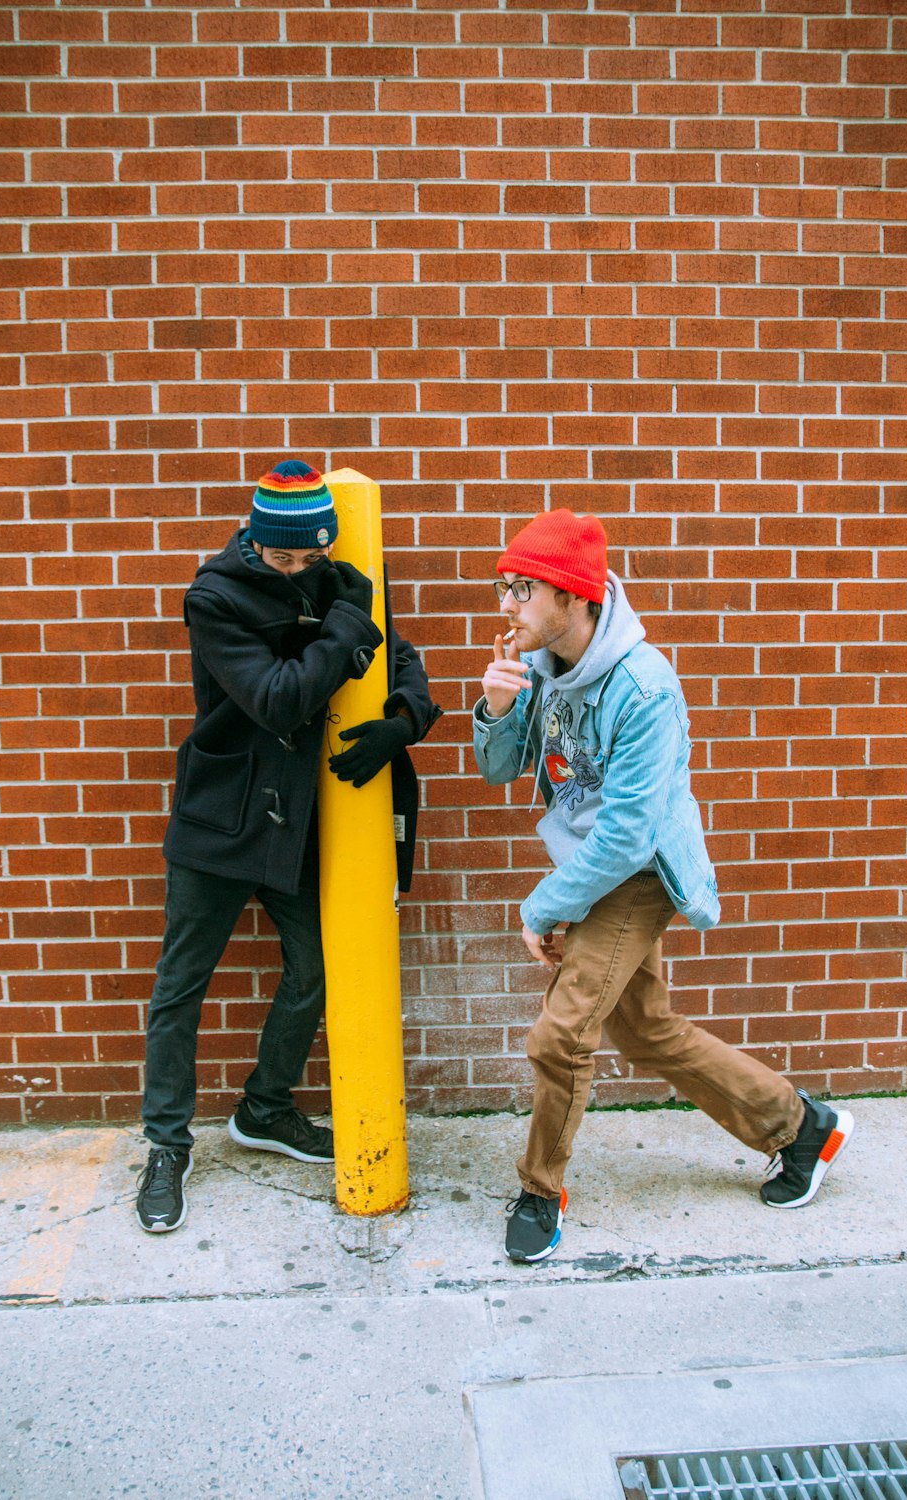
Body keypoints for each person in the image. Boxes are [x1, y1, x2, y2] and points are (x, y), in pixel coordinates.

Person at [472, 509, 854, 1263]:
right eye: (504, 588)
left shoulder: (644, 688)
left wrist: (545, 906)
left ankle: (540, 1189)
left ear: (574, 597)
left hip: (637, 871)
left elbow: (626, 837)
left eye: (523, 589)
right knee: (646, 1030)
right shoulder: (542, 664)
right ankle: (801, 1127)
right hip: (589, 864)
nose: (507, 605)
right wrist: (498, 705)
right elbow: (498, 769)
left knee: (560, 1035)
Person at [136, 460, 440, 1233]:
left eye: (313, 557)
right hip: (220, 819)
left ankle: (266, 1108)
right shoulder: (215, 597)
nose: (301, 569)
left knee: (316, 966)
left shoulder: (338, 575)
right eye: (285, 558)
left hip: (299, 820)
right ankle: (167, 1146)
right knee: (182, 985)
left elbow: (402, 660)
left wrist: (403, 719)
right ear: (255, 541)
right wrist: (345, 624)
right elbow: (277, 697)